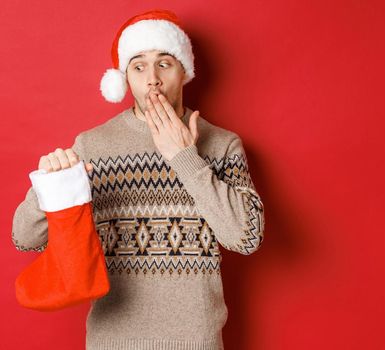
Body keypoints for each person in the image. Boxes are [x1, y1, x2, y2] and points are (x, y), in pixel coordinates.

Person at [11, 8, 265, 349]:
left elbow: (245, 238)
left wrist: (185, 158)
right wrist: (48, 190)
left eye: (164, 62)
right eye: (139, 65)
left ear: (184, 71)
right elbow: (23, 239)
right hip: (112, 340)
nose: (153, 79)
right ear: (125, 77)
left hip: (195, 341)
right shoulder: (92, 146)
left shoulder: (221, 144)